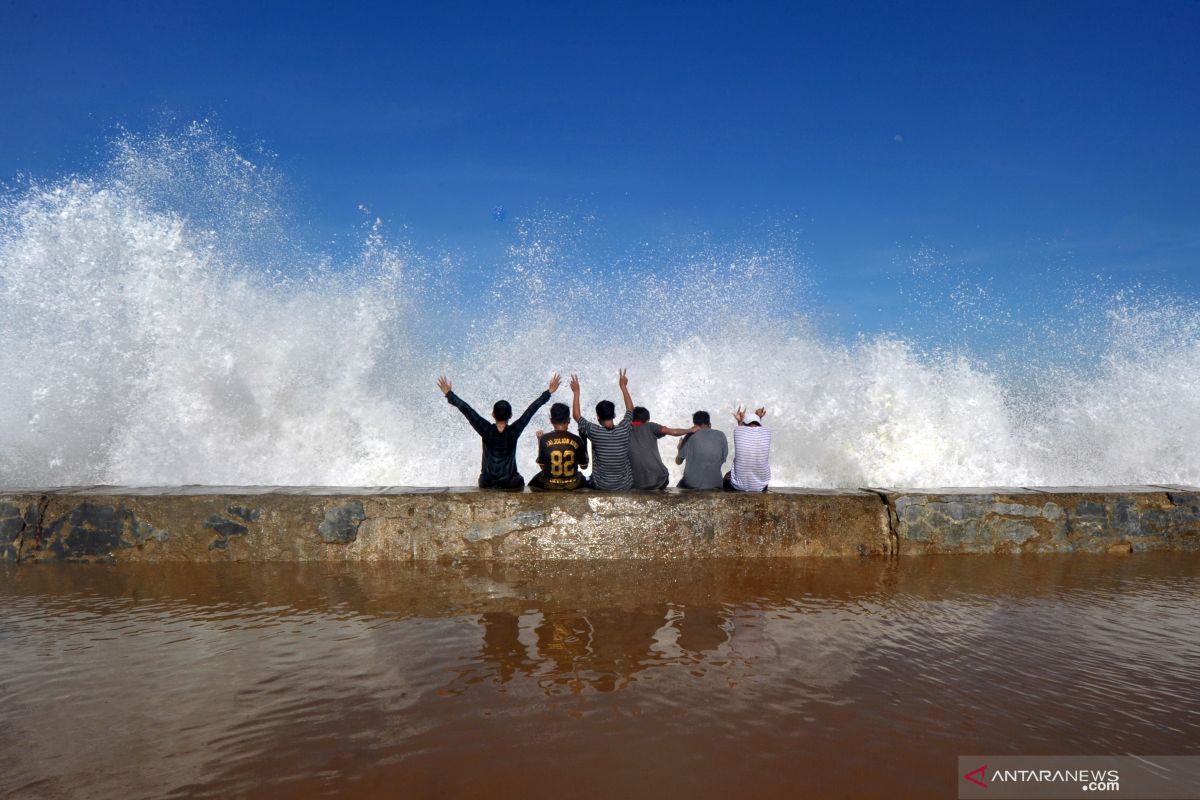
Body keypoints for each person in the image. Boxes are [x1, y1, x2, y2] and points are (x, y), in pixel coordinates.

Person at [437, 373, 559, 490]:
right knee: (520, 480)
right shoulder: (514, 430)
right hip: (509, 483)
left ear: (493, 414)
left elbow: (467, 410)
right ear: (510, 415)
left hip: (486, 483)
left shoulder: (485, 429)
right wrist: (548, 392)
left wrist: (449, 394)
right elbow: (531, 410)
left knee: (487, 477)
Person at [572, 369, 634, 491]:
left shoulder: (595, 432)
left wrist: (576, 392)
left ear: (598, 417)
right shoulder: (625, 429)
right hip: (625, 486)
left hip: (602, 486)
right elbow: (630, 409)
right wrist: (623, 386)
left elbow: (576, 416)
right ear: (614, 414)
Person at [629, 406, 696, 490]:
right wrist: (690, 430)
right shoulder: (650, 426)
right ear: (647, 419)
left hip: (636, 483)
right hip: (659, 480)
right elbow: (675, 432)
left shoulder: (624, 429)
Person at [529, 402, 589, 490]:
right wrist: (584, 440)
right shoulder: (577, 439)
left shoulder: (544, 439)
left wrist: (539, 440)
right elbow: (584, 466)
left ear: (551, 421)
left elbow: (542, 466)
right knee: (584, 479)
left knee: (532, 483)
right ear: (568, 420)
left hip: (550, 484)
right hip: (572, 484)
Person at [675, 410, 728, 490]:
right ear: (709, 423)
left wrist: (679, 449)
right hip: (715, 483)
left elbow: (678, 462)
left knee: (679, 488)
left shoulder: (690, 435)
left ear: (694, 424)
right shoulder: (721, 435)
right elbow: (723, 459)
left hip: (692, 484)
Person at [724, 406, 771, 492]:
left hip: (737, 487)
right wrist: (758, 416)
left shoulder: (738, 430)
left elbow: (743, 428)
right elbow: (755, 428)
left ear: (744, 424)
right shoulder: (767, 432)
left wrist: (739, 420)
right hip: (761, 487)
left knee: (727, 475)